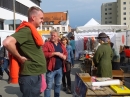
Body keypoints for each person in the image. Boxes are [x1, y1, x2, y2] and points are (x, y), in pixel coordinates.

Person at [3, 6, 46, 97]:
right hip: (30, 76)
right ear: (33, 17)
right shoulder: (26, 30)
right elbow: (7, 42)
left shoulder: (32, 31)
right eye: (41, 18)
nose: (43, 20)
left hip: (34, 74)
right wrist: (19, 57)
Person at [43, 29, 67, 97]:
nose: (52, 37)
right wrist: (55, 53)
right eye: (51, 35)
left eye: (54, 35)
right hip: (51, 69)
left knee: (57, 85)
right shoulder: (47, 44)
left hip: (59, 68)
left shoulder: (61, 44)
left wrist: (65, 56)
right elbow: (44, 54)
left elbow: (65, 52)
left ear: (58, 37)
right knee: (48, 87)